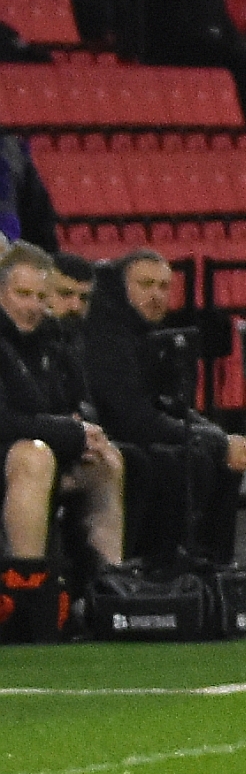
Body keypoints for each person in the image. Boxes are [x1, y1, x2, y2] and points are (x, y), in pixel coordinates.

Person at [86, 250, 246, 566]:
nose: (156, 295)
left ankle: (215, 567)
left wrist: (217, 436)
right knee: (185, 459)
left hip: (136, 432)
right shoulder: (107, 337)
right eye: (145, 284)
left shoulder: (147, 334)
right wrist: (214, 441)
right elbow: (131, 418)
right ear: (121, 287)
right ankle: (165, 566)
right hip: (111, 436)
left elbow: (170, 405)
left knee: (222, 457)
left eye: (163, 287)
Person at [0, 243, 123, 571]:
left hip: (34, 445)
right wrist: (69, 430)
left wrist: (85, 431)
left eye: (41, 297)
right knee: (34, 457)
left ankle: (105, 580)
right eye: (23, 294)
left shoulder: (49, 339)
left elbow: (75, 401)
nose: (33, 306)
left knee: (107, 460)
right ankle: (27, 584)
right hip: (16, 452)